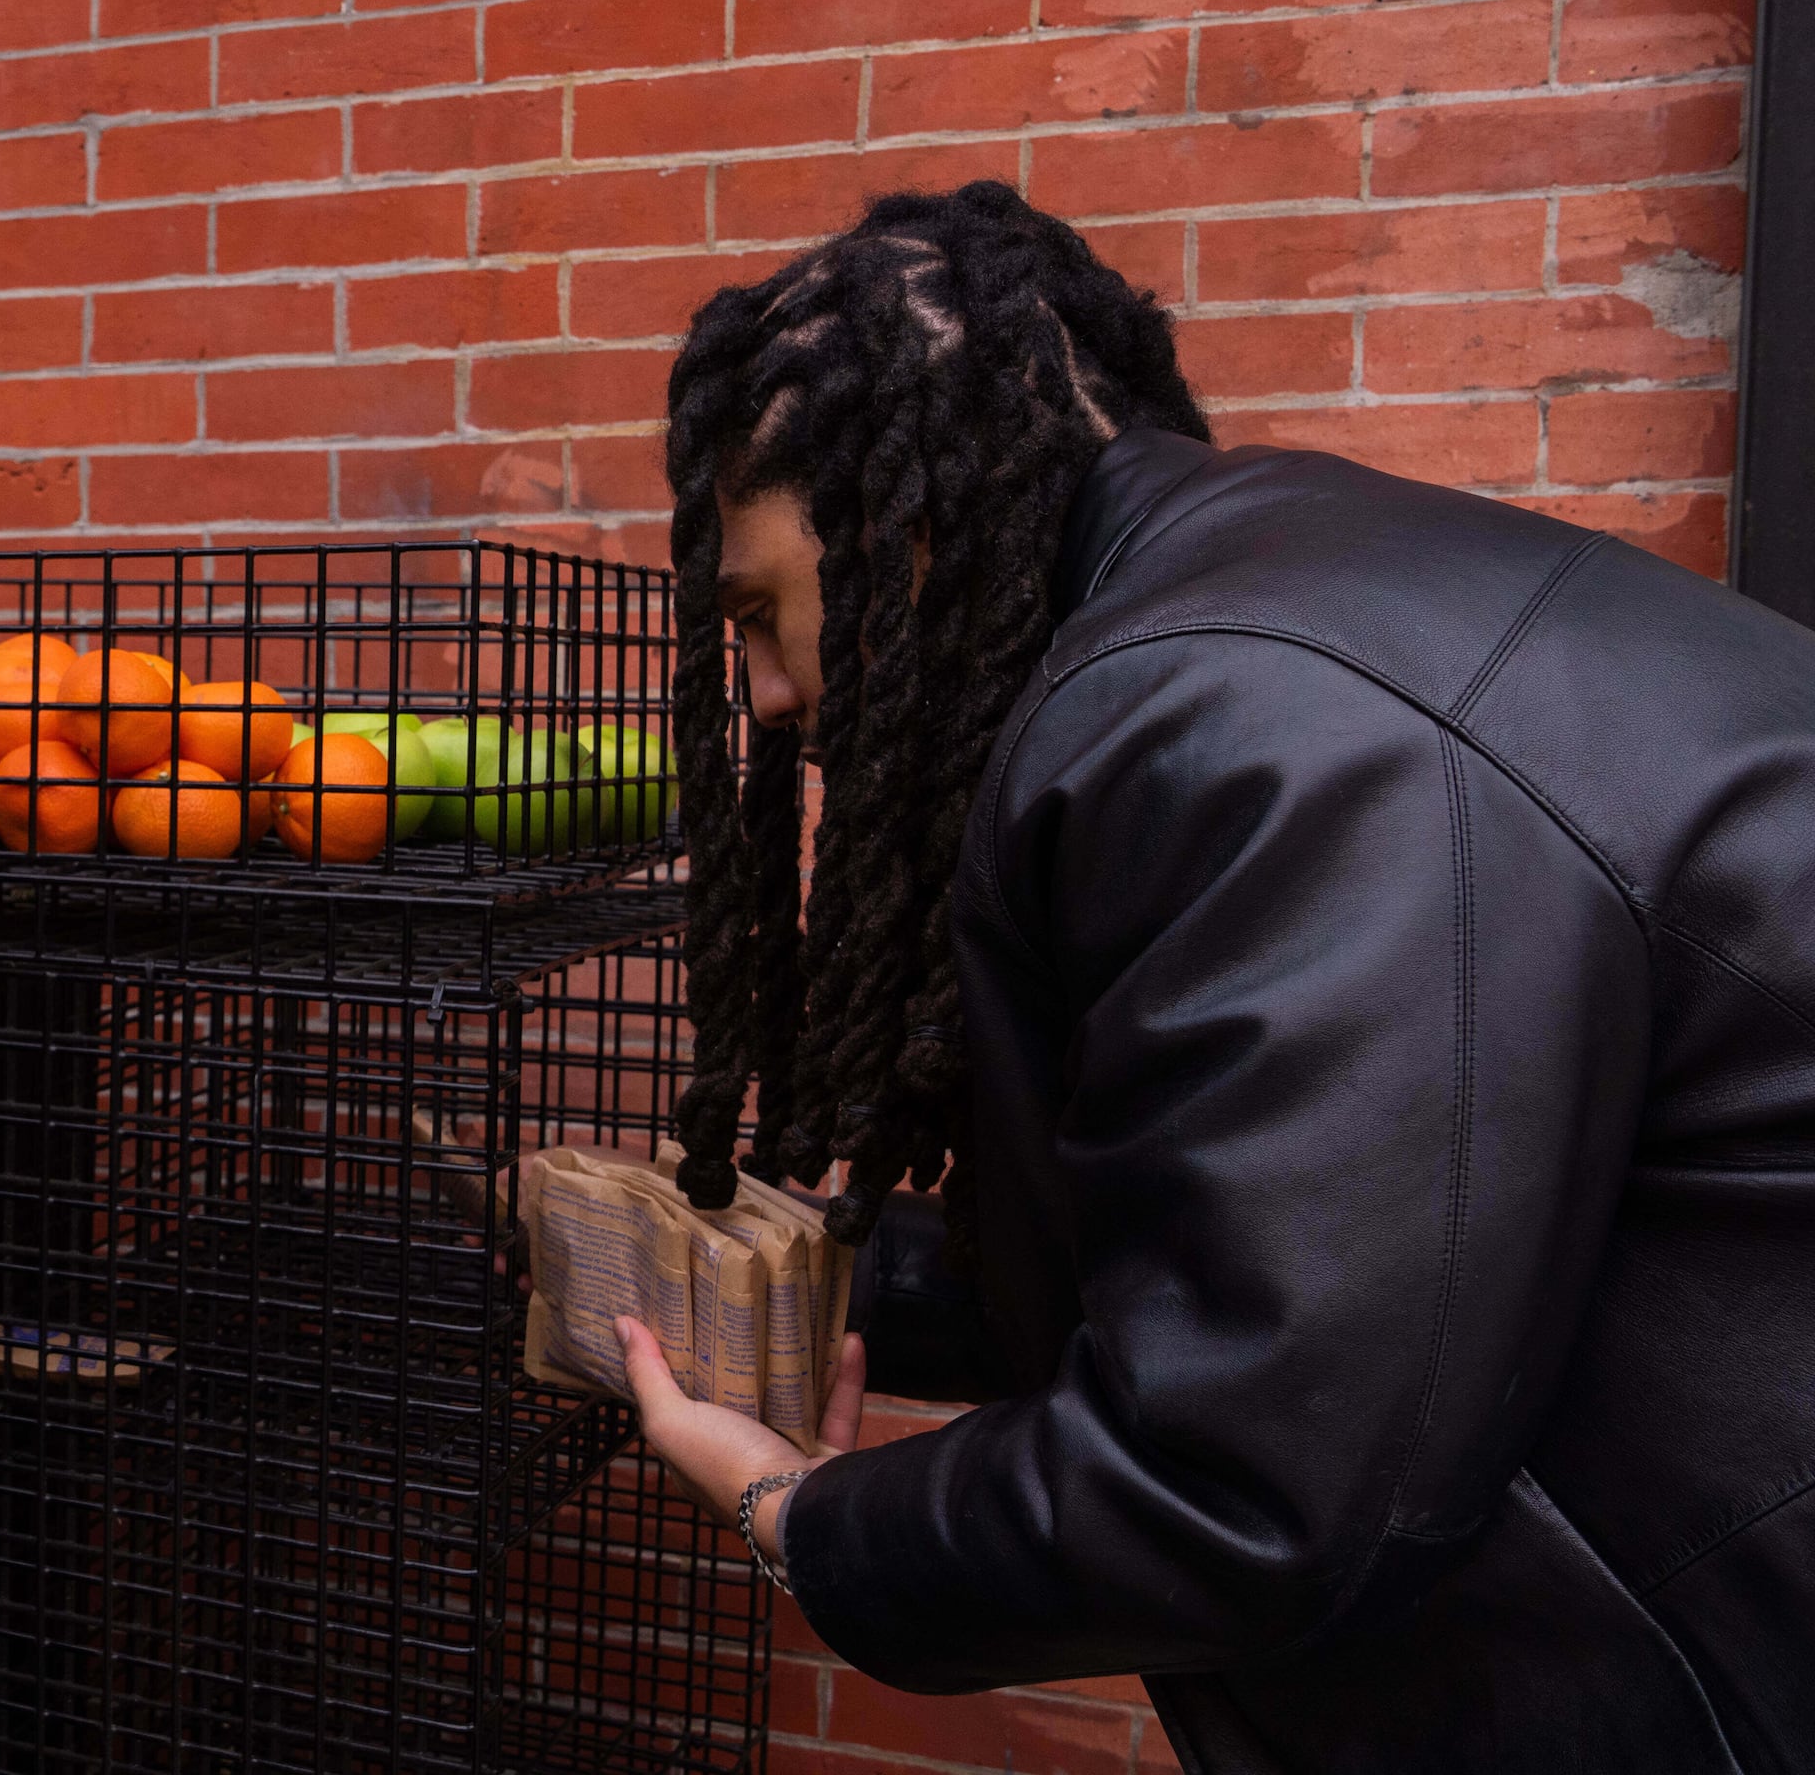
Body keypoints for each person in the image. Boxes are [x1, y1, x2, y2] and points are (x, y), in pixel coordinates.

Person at [614, 182, 1812, 1771]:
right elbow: (1300, 1247)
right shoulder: (1290, 604)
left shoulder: (1238, 713)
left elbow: (1242, 1480)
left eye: (763, 614)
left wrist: (802, 1516)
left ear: (909, 535)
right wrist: (817, 1282)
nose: (761, 696)